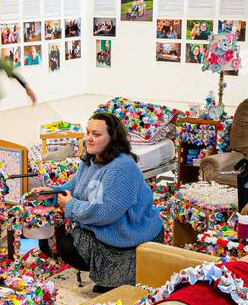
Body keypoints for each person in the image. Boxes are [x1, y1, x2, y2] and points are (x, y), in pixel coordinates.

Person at [32, 112, 164, 291]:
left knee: (67, 246)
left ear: (112, 138)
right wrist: (52, 192)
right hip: (109, 229)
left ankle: (119, 277)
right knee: (49, 241)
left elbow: (105, 213)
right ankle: (109, 275)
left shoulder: (121, 166)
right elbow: (75, 185)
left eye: (96, 134)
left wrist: (70, 205)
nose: (89, 139)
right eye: (88, 133)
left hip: (130, 236)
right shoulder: (92, 159)